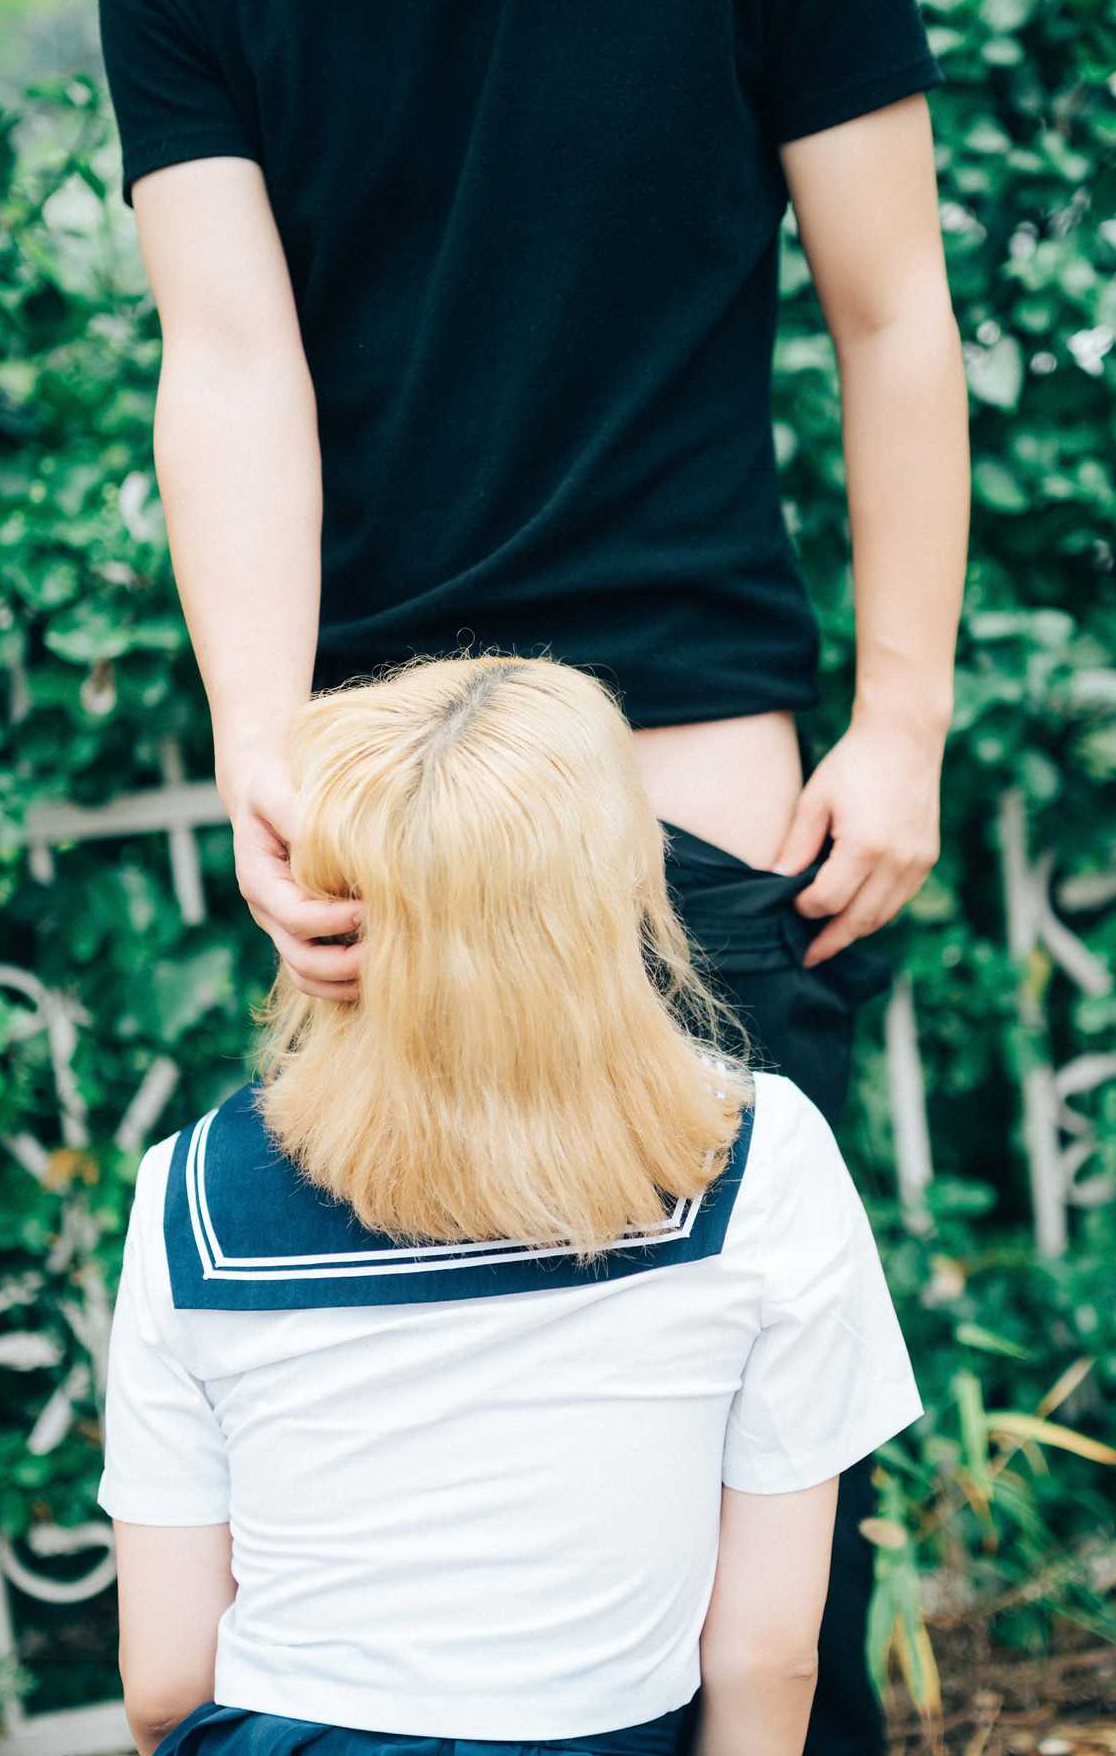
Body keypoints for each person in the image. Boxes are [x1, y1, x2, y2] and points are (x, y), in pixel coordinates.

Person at [94, 0, 970, 1748]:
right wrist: (261, 751)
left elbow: (895, 305)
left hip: (690, 842)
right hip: (379, 855)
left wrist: (904, 719)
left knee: (779, 1563)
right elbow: (229, 361)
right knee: (405, 1547)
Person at [98, 653, 924, 1756]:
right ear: (629, 881)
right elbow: (767, 1659)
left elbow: (163, 1686)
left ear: (319, 901)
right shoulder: (750, 1154)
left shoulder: (192, 1192)